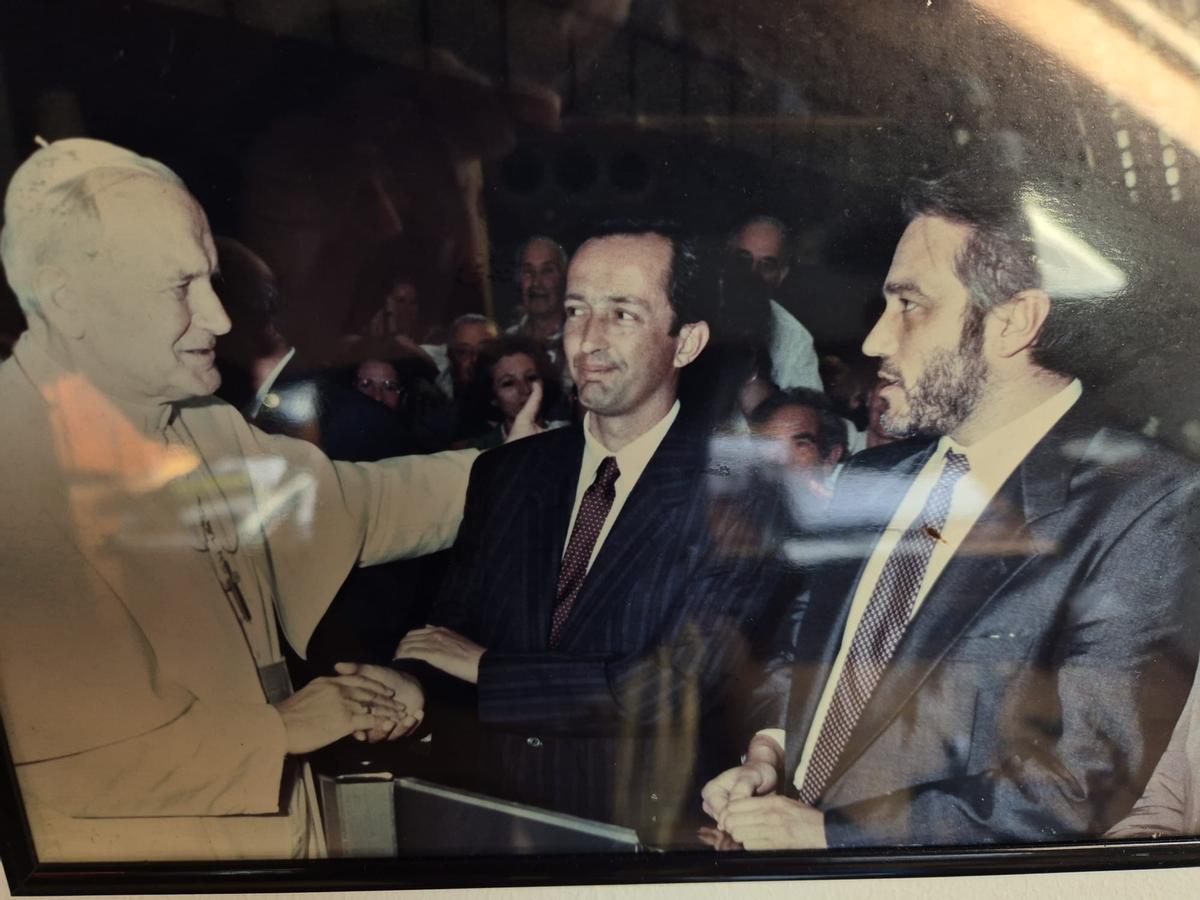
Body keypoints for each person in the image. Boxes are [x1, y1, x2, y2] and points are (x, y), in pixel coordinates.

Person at [0, 138, 520, 862]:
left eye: (210, 280)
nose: (218, 318)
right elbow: (48, 775)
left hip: (282, 834)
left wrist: (529, 467)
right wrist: (283, 730)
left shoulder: (201, 427)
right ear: (67, 301)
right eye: (180, 287)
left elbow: (366, 504)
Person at [701, 170, 1200, 849]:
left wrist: (828, 837)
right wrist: (770, 753)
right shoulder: (871, 478)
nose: (876, 340)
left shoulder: (1147, 503)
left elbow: (1080, 782)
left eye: (909, 305)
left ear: (1014, 322)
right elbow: (798, 652)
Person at [393, 222, 782, 843]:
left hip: (639, 838)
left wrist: (489, 671)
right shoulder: (507, 473)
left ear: (686, 343)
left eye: (622, 314)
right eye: (577, 311)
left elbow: (673, 685)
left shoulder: (739, 495)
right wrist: (404, 689)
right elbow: (447, 637)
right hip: (493, 823)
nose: (588, 340)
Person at [726, 215, 821, 393]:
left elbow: (806, 413)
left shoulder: (795, 339)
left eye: (766, 265)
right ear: (727, 258)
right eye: (743, 259)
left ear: (781, 275)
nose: (751, 274)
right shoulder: (693, 311)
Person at [455, 333, 566, 450]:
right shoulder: (479, 450)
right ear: (492, 396)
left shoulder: (568, 435)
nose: (525, 390)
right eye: (508, 383)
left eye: (531, 378)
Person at [506, 235, 568, 359]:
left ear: (563, 279)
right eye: (528, 272)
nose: (536, 283)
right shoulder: (506, 343)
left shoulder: (580, 338)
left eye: (547, 271)